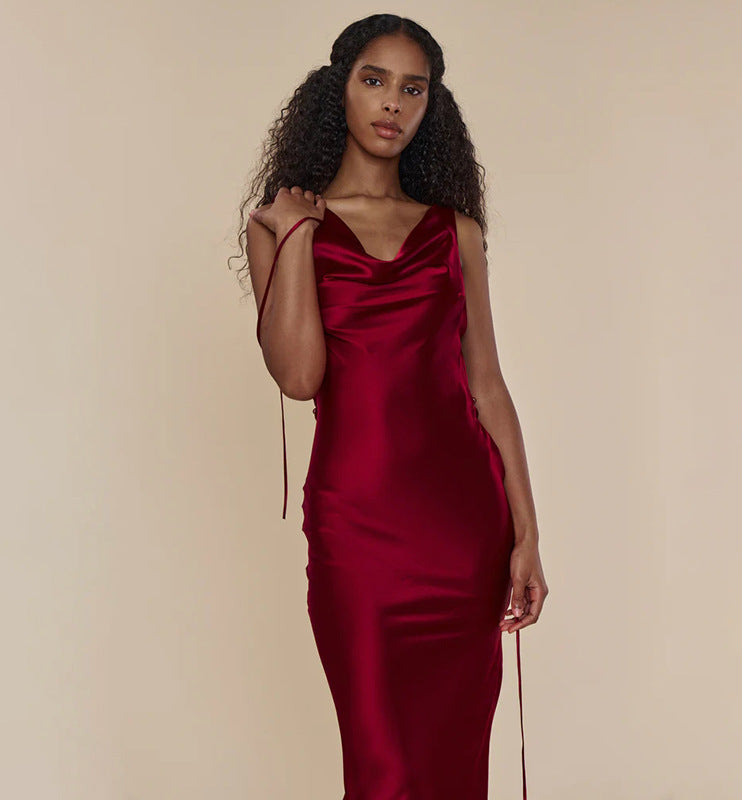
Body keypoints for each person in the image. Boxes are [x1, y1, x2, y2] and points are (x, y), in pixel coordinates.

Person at [233, 13, 548, 800]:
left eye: (414, 89)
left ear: (431, 105)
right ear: (336, 89)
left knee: (452, 769)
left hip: (462, 531)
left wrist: (527, 536)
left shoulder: (455, 233)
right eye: (374, 80)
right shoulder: (282, 226)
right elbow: (299, 376)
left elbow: (487, 385)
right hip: (357, 530)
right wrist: (297, 236)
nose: (393, 103)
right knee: (382, 771)